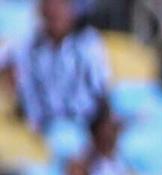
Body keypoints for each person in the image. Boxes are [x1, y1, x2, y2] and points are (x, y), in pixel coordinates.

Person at [0, 0, 109, 134]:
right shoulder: (27, 43)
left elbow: (100, 90)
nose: (55, 11)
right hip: (39, 127)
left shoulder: (88, 42)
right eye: (50, 7)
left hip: (82, 125)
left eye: (61, 6)